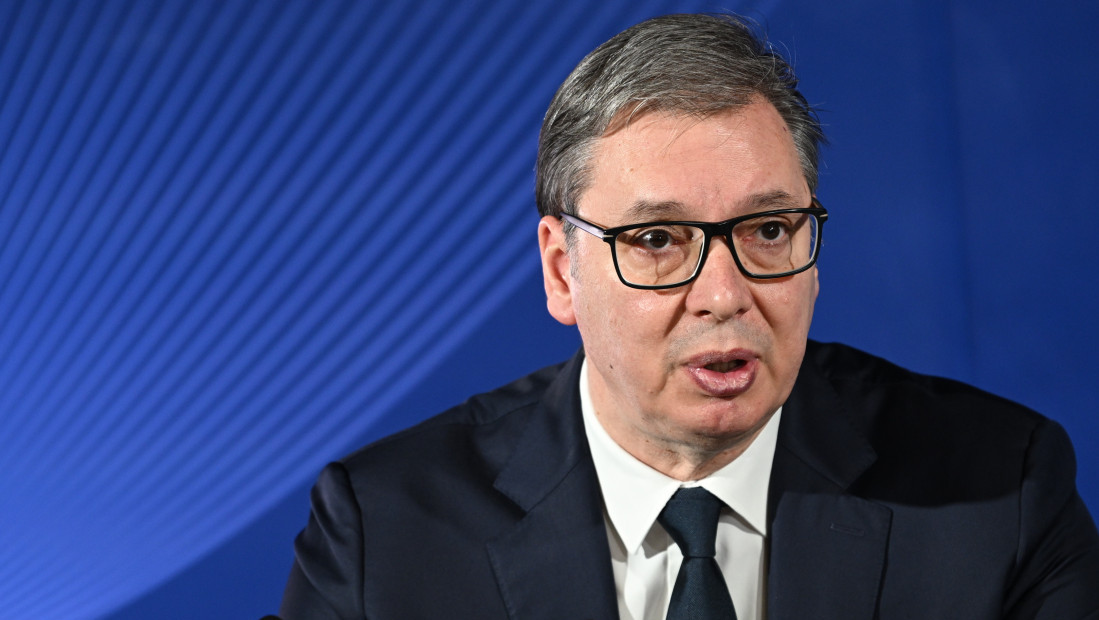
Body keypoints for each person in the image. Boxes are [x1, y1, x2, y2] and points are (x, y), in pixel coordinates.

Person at [279, 13, 1099, 619]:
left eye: (767, 229)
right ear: (562, 271)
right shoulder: (385, 532)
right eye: (657, 240)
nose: (723, 294)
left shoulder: (999, 491)